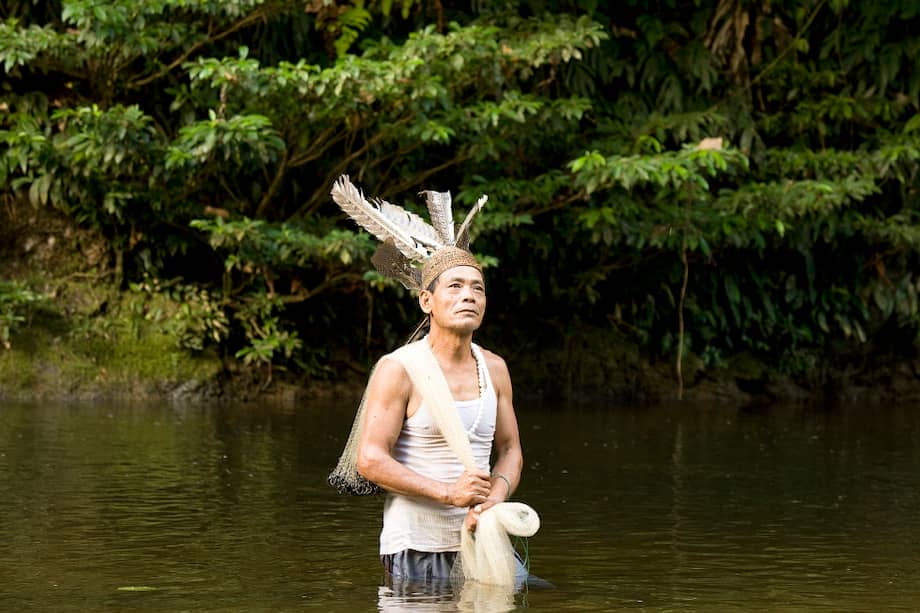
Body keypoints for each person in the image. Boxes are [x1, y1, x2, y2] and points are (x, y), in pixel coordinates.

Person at [356, 246, 524, 580]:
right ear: (426, 302)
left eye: (478, 288)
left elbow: (510, 450)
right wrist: (449, 494)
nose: (469, 296)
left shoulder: (495, 368)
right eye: (455, 286)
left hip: (483, 540)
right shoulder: (400, 368)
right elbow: (370, 459)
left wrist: (494, 499)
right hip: (417, 548)